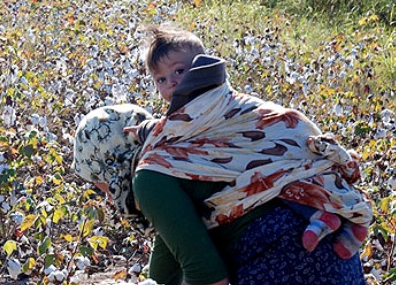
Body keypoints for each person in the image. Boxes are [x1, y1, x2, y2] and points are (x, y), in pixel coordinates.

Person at [71, 60, 372, 285]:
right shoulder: (184, 158)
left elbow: (208, 281)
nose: (104, 193)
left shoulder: (149, 179)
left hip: (284, 281)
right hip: (338, 278)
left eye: (98, 181)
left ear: (112, 161)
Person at [137, 23, 366, 258]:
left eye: (178, 71)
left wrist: (147, 133)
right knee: (279, 177)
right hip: (277, 138)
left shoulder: (209, 99)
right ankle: (328, 216)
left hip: (278, 129)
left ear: (201, 66)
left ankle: (336, 217)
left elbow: (170, 131)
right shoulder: (189, 111)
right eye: (160, 79)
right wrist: (146, 128)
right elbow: (174, 129)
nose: (171, 83)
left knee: (280, 174)